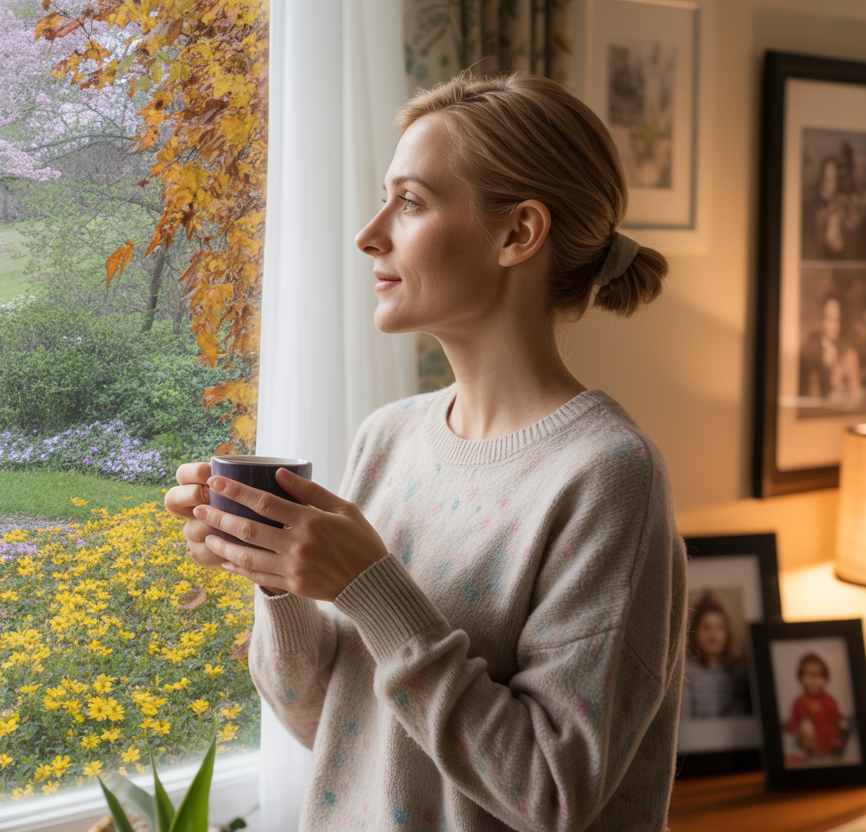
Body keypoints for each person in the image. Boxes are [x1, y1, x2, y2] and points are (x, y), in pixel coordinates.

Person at [165, 73, 687, 831]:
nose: (369, 233)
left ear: (518, 234)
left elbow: (552, 794)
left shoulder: (607, 475)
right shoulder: (389, 438)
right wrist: (275, 572)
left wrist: (370, 586)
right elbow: (329, 724)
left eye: (409, 202)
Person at [682, 592, 750, 718]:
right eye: (707, 627)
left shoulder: (740, 673)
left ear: (727, 632)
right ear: (695, 631)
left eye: (719, 627)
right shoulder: (685, 673)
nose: (713, 635)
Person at [798, 293, 865, 412]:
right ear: (822, 319)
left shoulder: (848, 353)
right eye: (829, 319)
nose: (833, 326)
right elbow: (810, 395)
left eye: (837, 320)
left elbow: (856, 394)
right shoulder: (812, 349)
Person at [783, 653, 848, 766]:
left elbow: (839, 719)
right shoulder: (799, 701)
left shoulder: (829, 700)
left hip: (830, 748)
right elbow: (793, 722)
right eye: (809, 674)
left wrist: (844, 727)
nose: (814, 679)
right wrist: (796, 731)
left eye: (819, 675)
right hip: (808, 750)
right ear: (800, 677)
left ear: (826, 679)